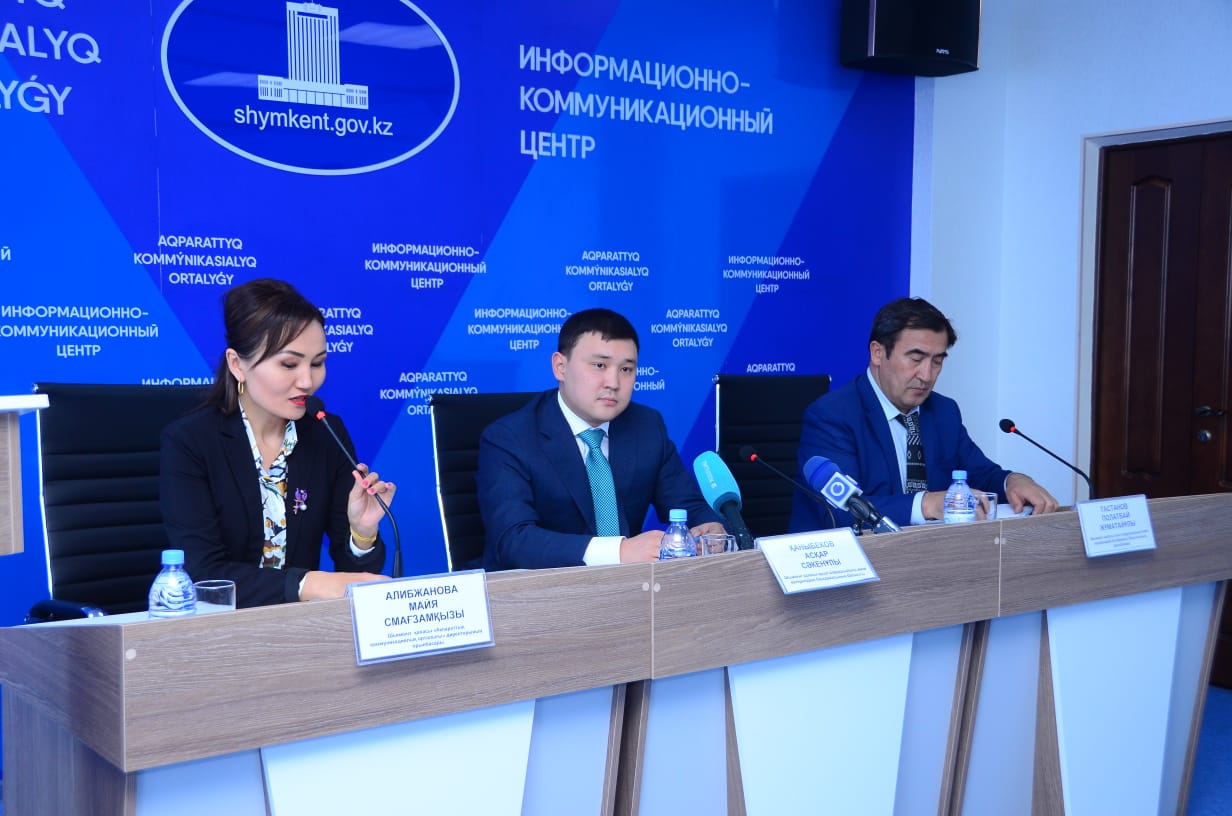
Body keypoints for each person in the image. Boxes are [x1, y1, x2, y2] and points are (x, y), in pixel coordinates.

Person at [160, 278, 392, 607]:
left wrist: (362, 534)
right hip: (215, 627)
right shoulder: (190, 442)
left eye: (317, 363)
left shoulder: (325, 432)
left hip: (299, 628)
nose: (307, 381)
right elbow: (203, 576)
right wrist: (307, 583)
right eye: (289, 364)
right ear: (237, 364)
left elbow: (355, 576)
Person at [478, 308, 725, 570]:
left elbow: (688, 505)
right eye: (600, 366)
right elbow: (513, 541)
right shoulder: (509, 438)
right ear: (560, 367)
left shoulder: (646, 426)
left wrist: (710, 528)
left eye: (626, 369)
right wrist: (620, 551)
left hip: (631, 588)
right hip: (542, 589)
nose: (613, 383)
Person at [790, 296, 1058, 531]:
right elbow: (841, 512)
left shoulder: (943, 412)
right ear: (878, 353)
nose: (927, 375)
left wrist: (1013, 481)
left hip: (926, 557)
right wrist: (928, 504)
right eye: (916, 359)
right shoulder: (832, 416)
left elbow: (981, 474)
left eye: (937, 361)